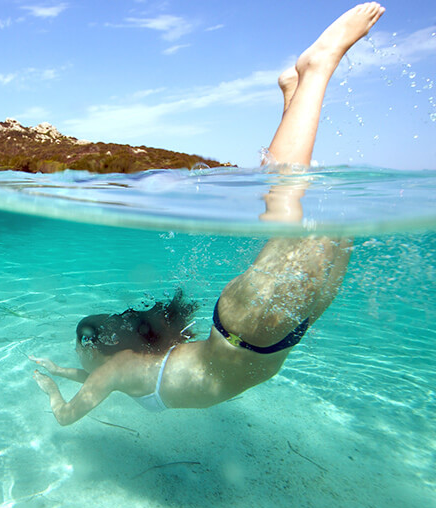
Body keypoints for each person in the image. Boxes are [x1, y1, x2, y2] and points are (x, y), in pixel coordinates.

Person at [30, 3, 385, 426]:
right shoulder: (124, 368)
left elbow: (68, 416)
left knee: (289, 216)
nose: (79, 357)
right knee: (308, 224)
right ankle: (294, 96)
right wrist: (61, 371)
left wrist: (53, 391)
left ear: (96, 350)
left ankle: (318, 67)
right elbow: (94, 377)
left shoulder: (120, 368)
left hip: (254, 338)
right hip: (258, 336)